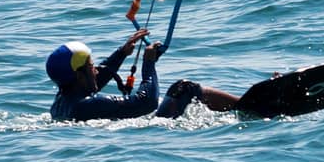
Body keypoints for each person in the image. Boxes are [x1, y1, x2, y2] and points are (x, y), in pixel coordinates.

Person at [46, 30, 242, 122]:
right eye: (91, 67)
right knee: (184, 88)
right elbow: (146, 102)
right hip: (155, 128)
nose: (97, 69)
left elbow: (94, 80)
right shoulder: (89, 104)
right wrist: (149, 64)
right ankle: (248, 107)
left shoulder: (63, 99)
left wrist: (122, 52)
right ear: (80, 76)